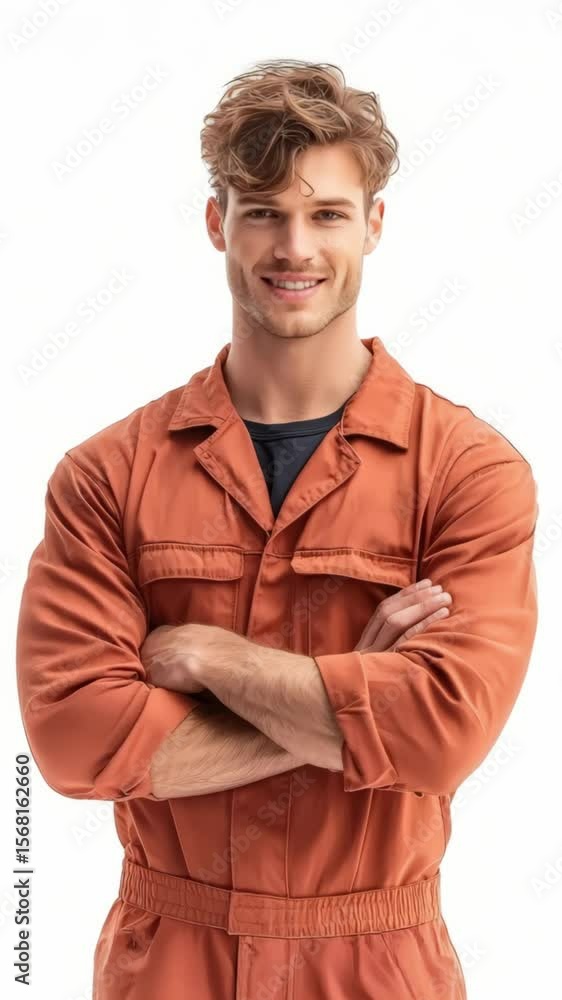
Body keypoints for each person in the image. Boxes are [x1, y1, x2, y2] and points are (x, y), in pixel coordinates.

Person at [16, 59, 538, 999]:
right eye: (263, 212)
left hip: (378, 962)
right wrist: (358, 701)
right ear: (217, 222)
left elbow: (443, 732)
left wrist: (212, 658)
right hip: (171, 962)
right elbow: (76, 739)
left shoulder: (466, 472)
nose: (295, 247)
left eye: (327, 213)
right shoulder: (108, 475)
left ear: (374, 225)